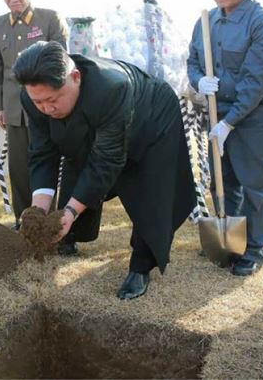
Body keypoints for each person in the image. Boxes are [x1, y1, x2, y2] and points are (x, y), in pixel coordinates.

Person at [13, 41, 196, 300]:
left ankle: (141, 266)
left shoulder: (111, 87)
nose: (46, 108)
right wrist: (38, 211)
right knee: (78, 167)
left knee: (150, 192)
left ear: (74, 77)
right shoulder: (33, 97)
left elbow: (106, 160)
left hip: (152, 121)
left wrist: (71, 211)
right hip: (95, 125)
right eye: (38, 101)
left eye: (52, 100)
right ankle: (71, 235)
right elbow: (43, 153)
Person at [187, 0, 263, 276]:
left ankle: (253, 249)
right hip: (216, 113)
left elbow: (256, 81)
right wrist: (199, 80)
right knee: (223, 181)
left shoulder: (262, 23)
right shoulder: (205, 21)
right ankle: (231, 242)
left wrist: (230, 122)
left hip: (251, 117)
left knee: (255, 184)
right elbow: (193, 62)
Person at [0, 0, 68, 229]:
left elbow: (63, 65)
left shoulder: (49, 19)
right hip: (14, 109)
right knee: (19, 167)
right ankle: (24, 219)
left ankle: (49, 219)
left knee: (47, 161)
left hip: (45, 105)